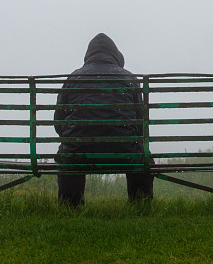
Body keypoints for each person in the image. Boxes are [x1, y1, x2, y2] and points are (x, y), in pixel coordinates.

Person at [53, 33, 154, 206]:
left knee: (68, 154)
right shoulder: (129, 78)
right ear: (115, 56)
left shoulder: (74, 78)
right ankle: (140, 205)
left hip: (79, 153)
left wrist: (78, 137)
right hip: (124, 153)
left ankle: (70, 205)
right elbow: (141, 126)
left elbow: (59, 122)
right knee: (142, 156)